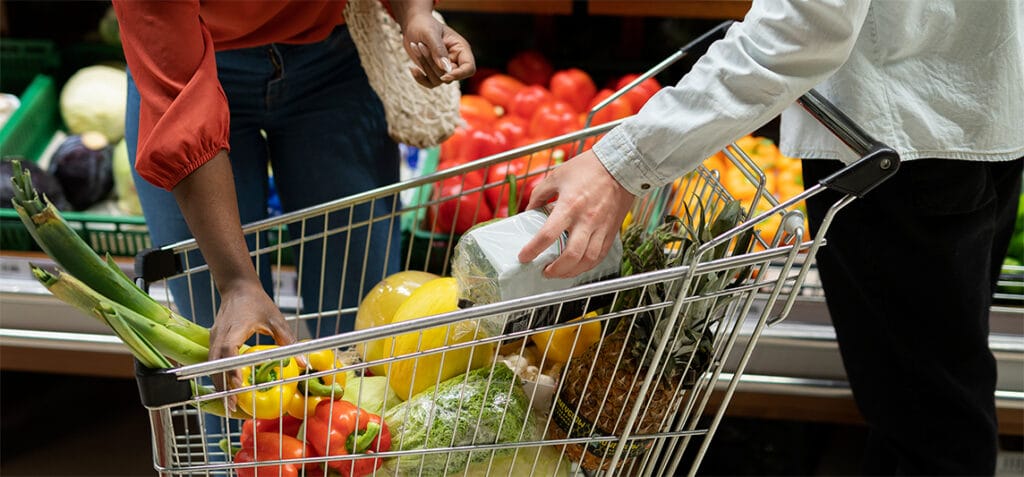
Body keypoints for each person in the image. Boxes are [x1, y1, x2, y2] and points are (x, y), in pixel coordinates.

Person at [518, 0, 1023, 474]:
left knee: (928, 421)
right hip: (968, 110)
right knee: (935, 394)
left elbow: (803, 28)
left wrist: (620, 166)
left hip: (894, 143)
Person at [112, 0, 475, 392]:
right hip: (187, 63)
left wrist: (413, 12)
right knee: (231, 365)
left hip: (333, 61)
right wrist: (237, 282)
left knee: (360, 360)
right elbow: (181, 103)